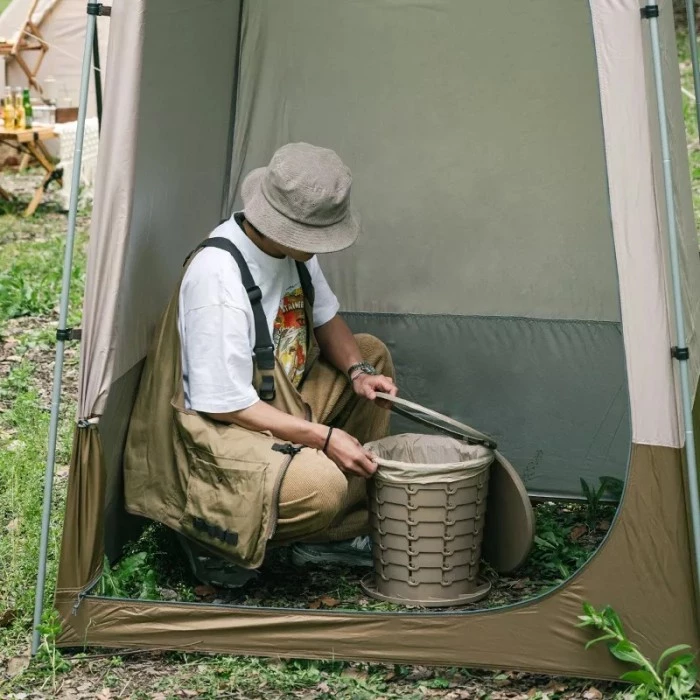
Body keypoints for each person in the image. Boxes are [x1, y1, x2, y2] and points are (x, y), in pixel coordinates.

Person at [124, 142, 397, 587]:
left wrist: (359, 374)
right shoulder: (217, 275)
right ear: (282, 226)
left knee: (369, 352)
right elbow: (225, 405)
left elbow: (326, 320)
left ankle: (328, 538)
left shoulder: (294, 254)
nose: (320, 246)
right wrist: (325, 438)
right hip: (217, 431)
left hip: (276, 399)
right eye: (315, 237)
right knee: (322, 486)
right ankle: (216, 539)